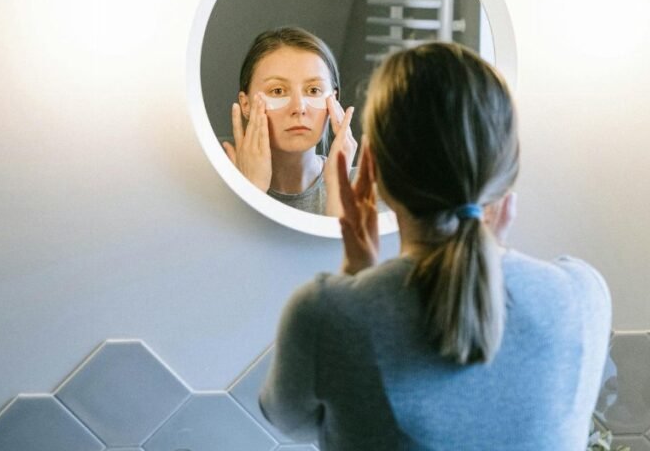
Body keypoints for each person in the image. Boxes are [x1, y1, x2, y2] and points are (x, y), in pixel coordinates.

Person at [259, 42, 612, 450]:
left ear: (372, 166)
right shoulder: (582, 295)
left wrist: (355, 280)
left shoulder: (326, 314)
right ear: (507, 166)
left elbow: (295, 423)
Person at [224, 27, 358, 216]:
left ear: (333, 102)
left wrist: (338, 192)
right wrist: (250, 192)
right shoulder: (216, 188)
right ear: (245, 104)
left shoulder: (371, 188)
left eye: (313, 91)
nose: (299, 107)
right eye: (278, 91)